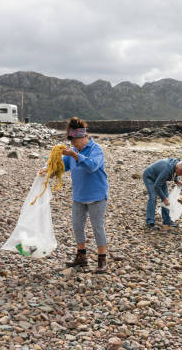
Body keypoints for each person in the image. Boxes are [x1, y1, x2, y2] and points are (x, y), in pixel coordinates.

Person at [52, 117, 109, 273]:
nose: (74, 145)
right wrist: (48, 170)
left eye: (76, 141)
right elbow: (62, 166)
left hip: (97, 195)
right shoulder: (74, 151)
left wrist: (75, 155)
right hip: (79, 196)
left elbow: (91, 166)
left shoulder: (96, 149)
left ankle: (102, 260)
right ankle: (81, 257)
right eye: (72, 142)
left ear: (84, 137)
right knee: (77, 226)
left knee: (98, 227)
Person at [143, 158, 182, 230]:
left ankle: (167, 221)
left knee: (167, 199)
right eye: (181, 173)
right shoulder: (166, 171)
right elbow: (156, 186)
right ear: (177, 168)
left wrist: (176, 181)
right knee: (153, 198)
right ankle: (150, 222)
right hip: (149, 177)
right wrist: (164, 198)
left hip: (159, 178)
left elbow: (174, 173)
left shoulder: (177, 164)